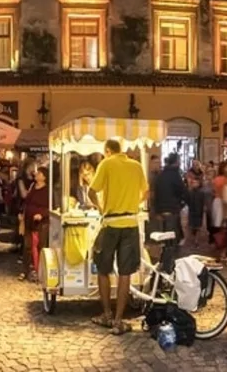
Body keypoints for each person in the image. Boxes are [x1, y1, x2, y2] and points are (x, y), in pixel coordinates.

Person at [87, 139, 146, 336]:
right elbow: (146, 192)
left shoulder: (107, 163)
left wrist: (100, 208)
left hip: (110, 224)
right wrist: (134, 203)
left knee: (103, 269)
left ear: (108, 151)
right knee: (125, 273)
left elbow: (91, 191)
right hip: (130, 224)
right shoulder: (136, 166)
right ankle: (119, 321)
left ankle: (106, 314)